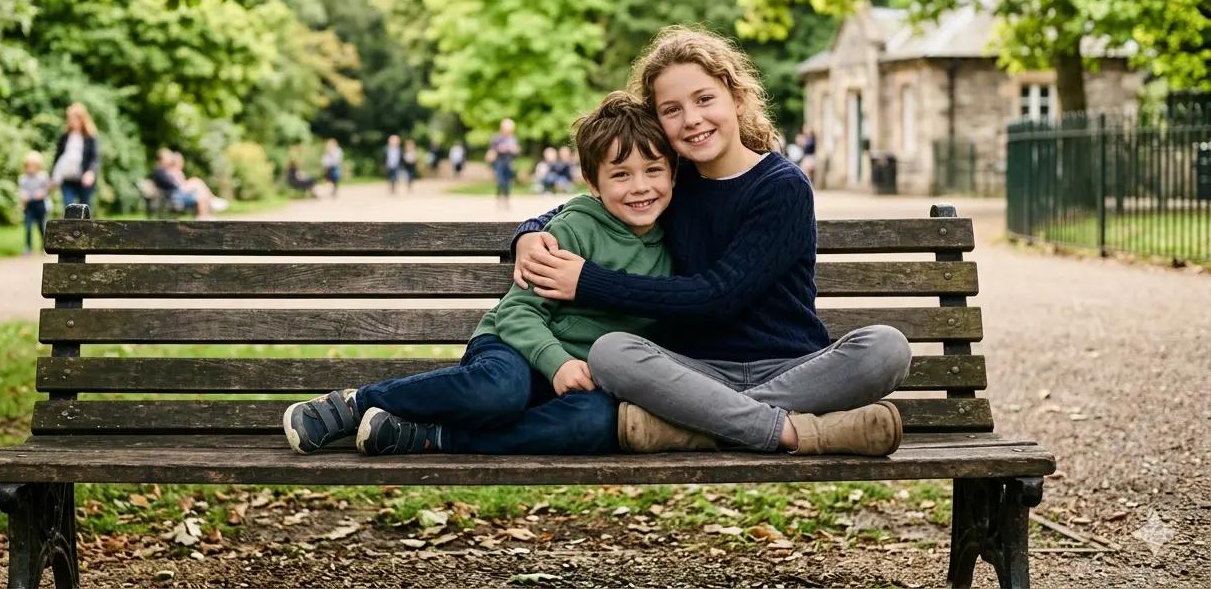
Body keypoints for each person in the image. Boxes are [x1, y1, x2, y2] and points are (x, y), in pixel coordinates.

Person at [512, 26, 911, 457]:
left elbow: (719, 294)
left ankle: (696, 428)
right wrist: (529, 231)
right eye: (671, 109)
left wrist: (589, 281)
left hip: (792, 367)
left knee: (887, 348)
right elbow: (593, 203)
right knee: (611, 353)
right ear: (658, 123)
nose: (692, 119)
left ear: (736, 99)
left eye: (704, 99)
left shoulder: (781, 186)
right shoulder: (671, 183)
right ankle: (794, 432)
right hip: (694, 371)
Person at [282, 92, 676, 456]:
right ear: (593, 183)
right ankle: (357, 404)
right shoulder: (575, 228)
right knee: (500, 392)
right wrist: (555, 362)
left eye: (653, 169)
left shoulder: (678, 242)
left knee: (595, 423)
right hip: (514, 349)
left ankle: (428, 436)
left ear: (674, 173)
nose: (640, 187)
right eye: (621, 175)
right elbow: (517, 313)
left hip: (583, 379)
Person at [51, 102, 100, 211]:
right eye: (70, 118)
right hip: (67, 179)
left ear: (82, 119)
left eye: (75, 118)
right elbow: (58, 156)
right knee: (68, 207)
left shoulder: (90, 137)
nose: (72, 122)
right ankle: (70, 228)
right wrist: (53, 176)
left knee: (86, 209)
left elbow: (94, 158)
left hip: (84, 179)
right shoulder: (65, 136)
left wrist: (90, 172)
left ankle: (87, 228)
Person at [18, 151, 52, 254]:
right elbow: (21, 191)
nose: (31, 168)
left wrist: (41, 193)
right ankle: (28, 247)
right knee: (28, 227)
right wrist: (23, 196)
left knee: (42, 227)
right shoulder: (23, 178)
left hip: (40, 205)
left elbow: (47, 189)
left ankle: (44, 247)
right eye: (29, 166)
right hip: (29, 206)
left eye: (33, 166)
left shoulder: (43, 176)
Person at [488, 119, 521, 207]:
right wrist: (499, 149)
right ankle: (499, 199)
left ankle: (506, 200)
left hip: (509, 162)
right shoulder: (497, 138)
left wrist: (513, 149)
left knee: (508, 182)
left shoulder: (513, 139)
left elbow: (517, 150)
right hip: (499, 162)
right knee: (500, 181)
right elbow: (492, 151)